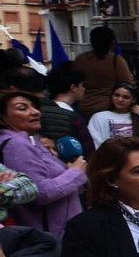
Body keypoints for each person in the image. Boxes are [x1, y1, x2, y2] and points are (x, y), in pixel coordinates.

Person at [0, 90, 87, 236]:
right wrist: (75, 172)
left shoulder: (33, 140)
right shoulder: (16, 144)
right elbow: (41, 193)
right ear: (3, 119)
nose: (35, 112)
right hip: (50, 237)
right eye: (22, 108)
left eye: (34, 106)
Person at [86, 80, 139, 149]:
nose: (120, 99)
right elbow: (95, 143)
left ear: (133, 100)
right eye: (116, 95)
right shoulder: (99, 117)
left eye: (125, 97)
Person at [70, 25, 133, 116]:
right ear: (112, 43)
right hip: (108, 110)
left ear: (91, 42)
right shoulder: (116, 60)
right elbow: (128, 84)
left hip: (83, 109)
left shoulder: (80, 60)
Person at [39, 64, 92, 156]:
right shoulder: (73, 118)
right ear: (73, 88)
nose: (84, 89)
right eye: (82, 85)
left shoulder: (38, 111)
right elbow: (88, 150)